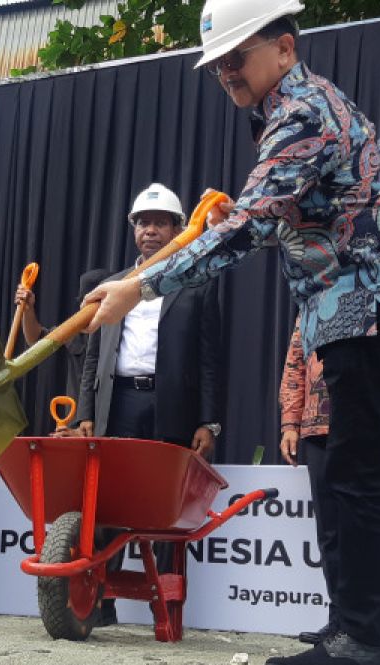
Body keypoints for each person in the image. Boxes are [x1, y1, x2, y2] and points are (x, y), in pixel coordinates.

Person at [83, 1, 380, 665]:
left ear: (283, 48)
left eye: (237, 55)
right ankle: (364, 622)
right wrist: (252, 214)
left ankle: (361, 643)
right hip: (373, 304)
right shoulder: (306, 107)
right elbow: (289, 211)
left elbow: (251, 228)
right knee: (366, 472)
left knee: (358, 474)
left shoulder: (301, 113)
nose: (225, 71)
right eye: (218, 62)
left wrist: (141, 286)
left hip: (372, 305)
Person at [78, 183, 223, 626]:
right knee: (106, 506)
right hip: (117, 404)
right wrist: (86, 411)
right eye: (143, 222)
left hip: (170, 407)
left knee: (165, 511)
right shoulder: (112, 286)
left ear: (181, 229)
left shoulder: (197, 284)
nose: (150, 231)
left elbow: (210, 359)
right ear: (133, 231)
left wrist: (209, 422)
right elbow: (91, 358)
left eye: (161, 222)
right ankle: (99, 601)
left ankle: (166, 607)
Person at [279, 315, 380, 651]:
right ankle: (343, 622)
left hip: (371, 419)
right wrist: (290, 421)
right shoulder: (313, 305)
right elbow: (296, 360)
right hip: (319, 425)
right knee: (332, 532)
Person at [15, 267, 110, 402]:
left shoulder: (126, 332)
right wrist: (28, 309)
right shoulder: (74, 330)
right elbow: (36, 340)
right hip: (76, 415)